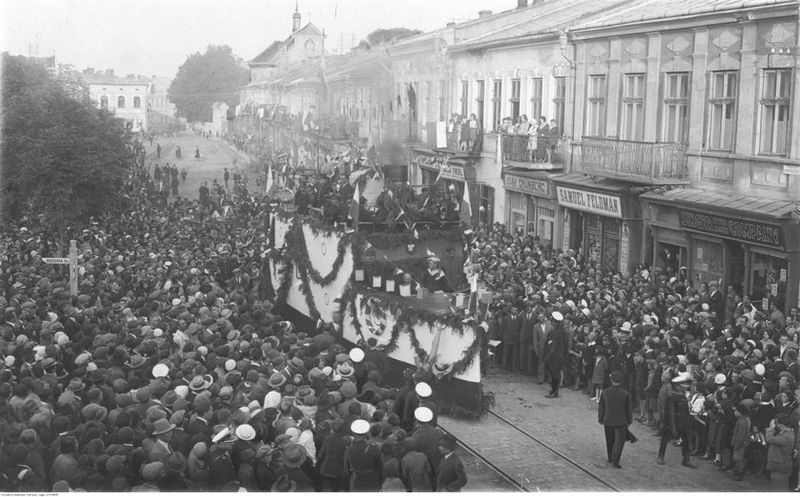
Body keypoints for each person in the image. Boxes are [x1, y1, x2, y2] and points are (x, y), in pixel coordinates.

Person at [657, 371, 695, 468]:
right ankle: (660, 456)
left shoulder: (683, 396)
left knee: (686, 441)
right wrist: (672, 426)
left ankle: (686, 459)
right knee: (665, 439)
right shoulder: (673, 397)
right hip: (672, 422)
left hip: (683, 422)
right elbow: (671, 412)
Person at [598, 370, 633, 468]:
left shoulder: (605, 393)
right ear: (621, 381)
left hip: (608, 420)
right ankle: (616, 461)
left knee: (609, 440)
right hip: (621, 422)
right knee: (619, 442)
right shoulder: (626, 394)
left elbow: (601, 408)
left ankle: (610, 457)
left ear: (611, 380)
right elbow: (629, 409)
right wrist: (629, 420)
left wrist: (601, 419)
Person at [543, 311, 569, 398]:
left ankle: (554, 391)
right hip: (557, 356)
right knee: (554, 374)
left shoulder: (556, 332)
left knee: (555, 374)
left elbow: (552, 345)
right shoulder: (561, 331)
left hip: (554, 356)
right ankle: (554, 390)